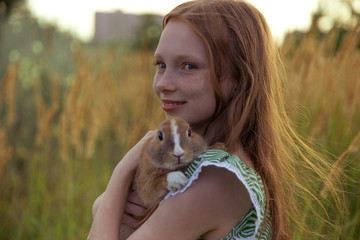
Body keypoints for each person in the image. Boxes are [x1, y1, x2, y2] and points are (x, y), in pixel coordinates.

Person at [88, 0, 339, 239]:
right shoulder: (203, 161)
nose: (163, 83)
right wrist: (106, 203)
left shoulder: (218, 180)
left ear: (239, 78)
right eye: (161, 64)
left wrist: (117, 181)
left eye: (189, 66)